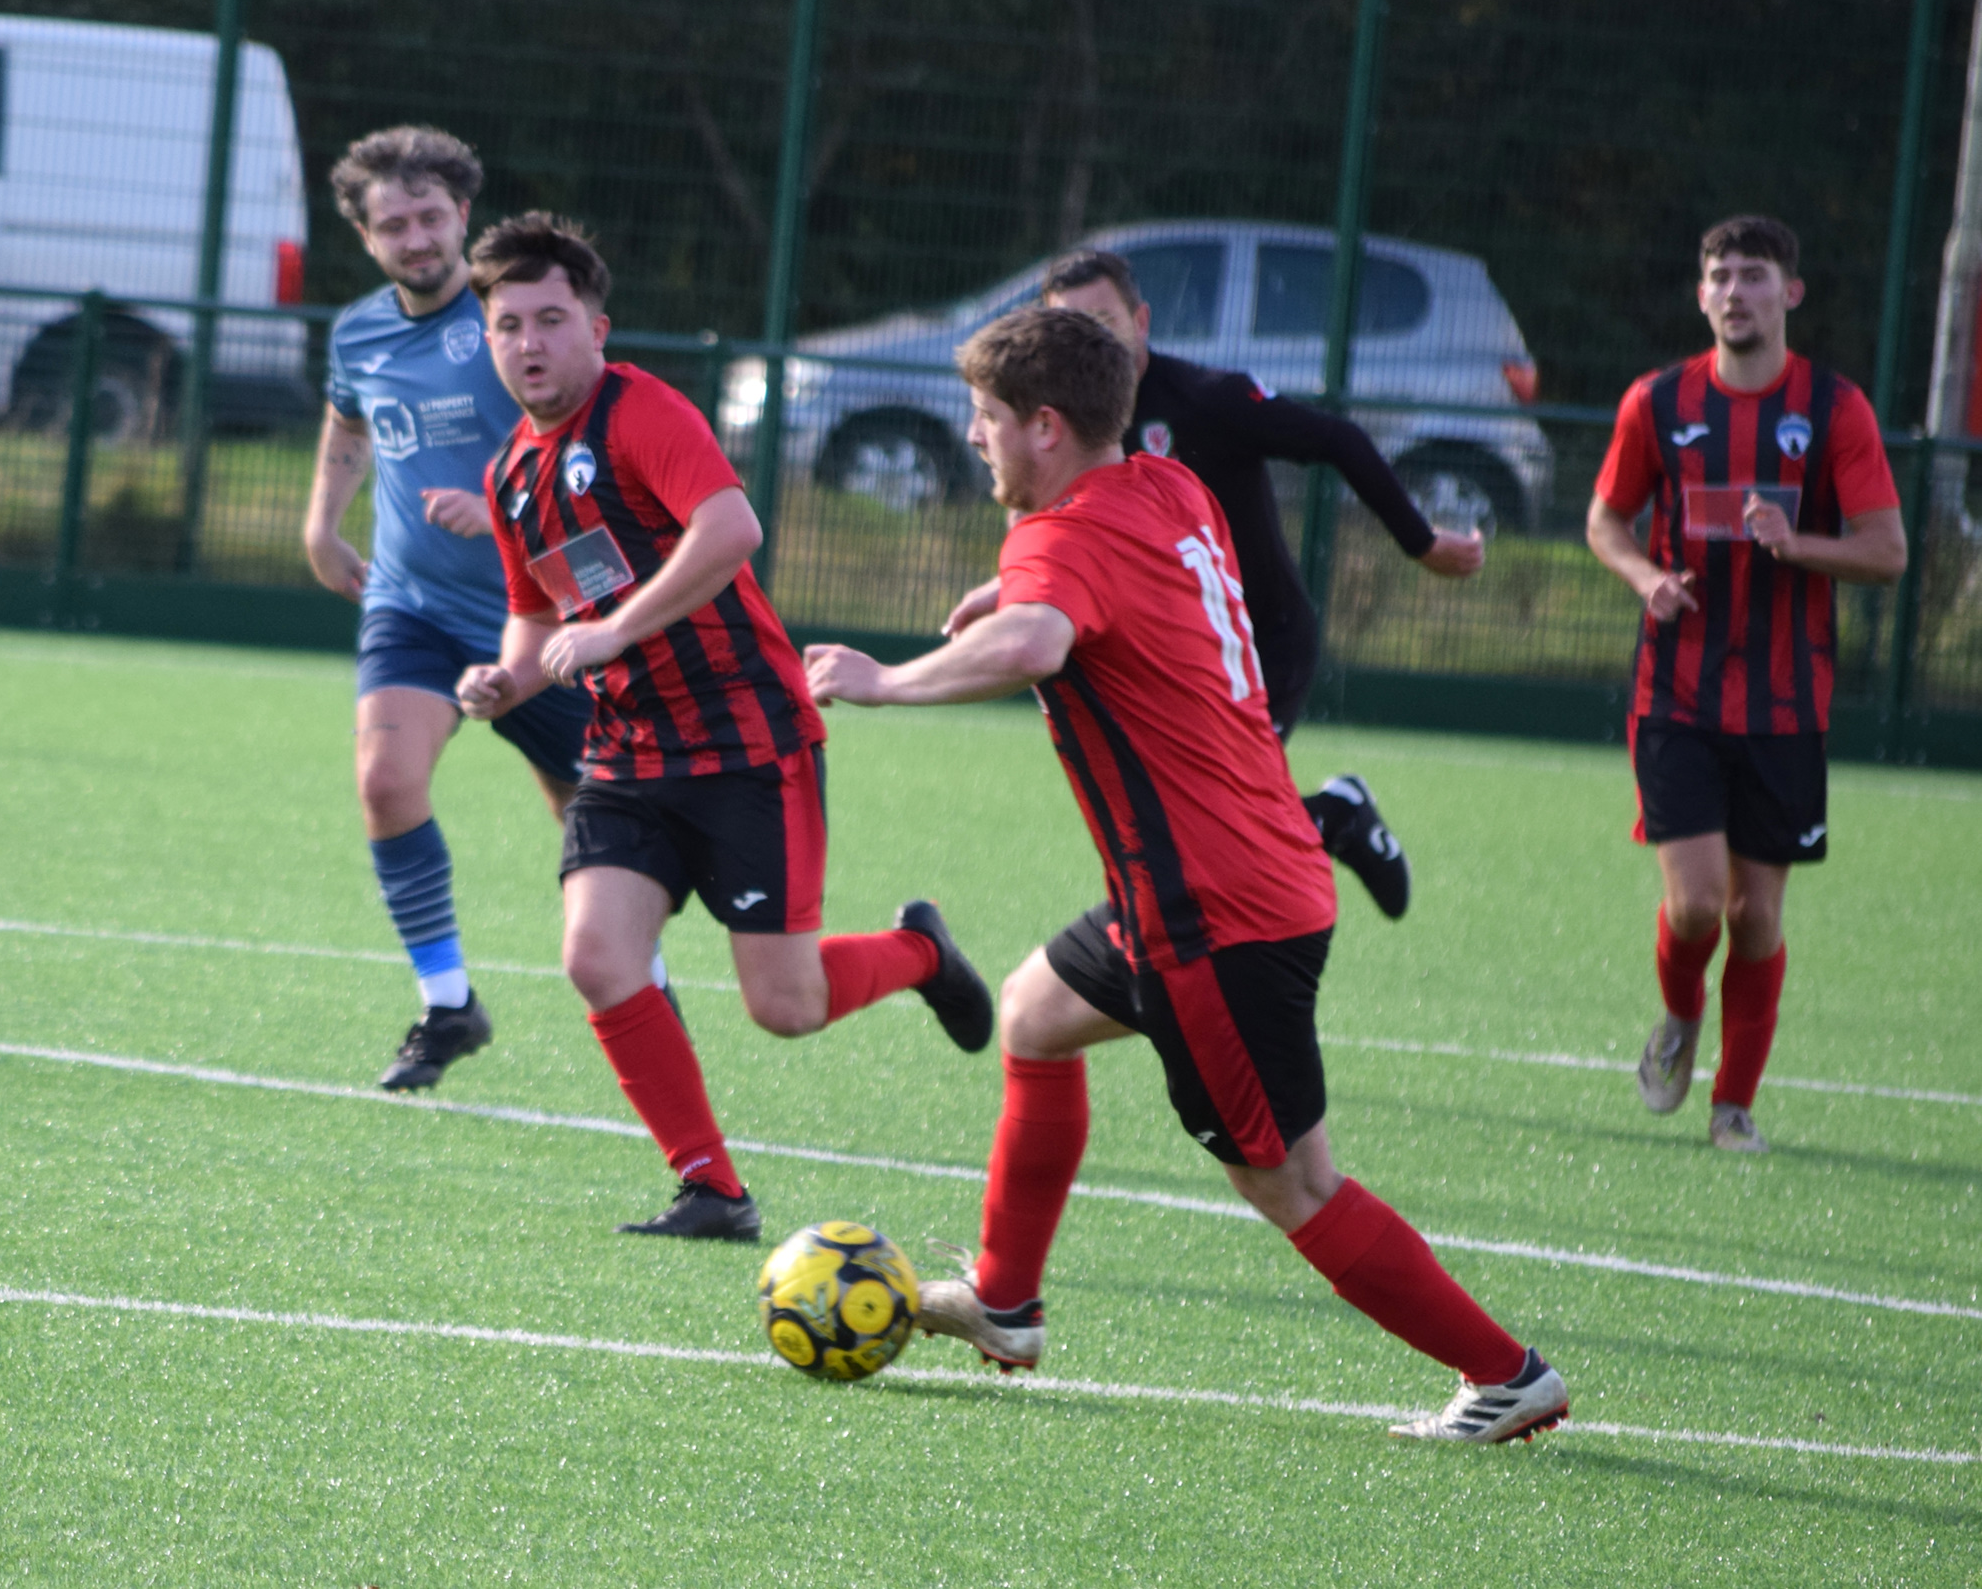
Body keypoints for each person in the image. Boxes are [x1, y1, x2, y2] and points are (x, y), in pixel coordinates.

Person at [807, 306, 1568, 1443]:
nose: (973, 438)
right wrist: (1011, 597)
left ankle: (1505, 1373)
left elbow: (1035, 643)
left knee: (1290, 1182)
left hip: (1214, 916)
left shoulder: (1058, 543)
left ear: (1047, 427)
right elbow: (1078, 603)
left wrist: (886, 678)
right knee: (1031, 1013)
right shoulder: (1167, 485)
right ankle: (1004, 1303)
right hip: (1236, 874)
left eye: (986, 418)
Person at [452, 212, 994, 1240]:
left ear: (597, 328)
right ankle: (712, 1187)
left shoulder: (639, 411)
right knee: (597, 954)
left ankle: (919, 952)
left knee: (782, 1004)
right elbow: (532, 618)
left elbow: (731, 526)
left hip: (748, 739)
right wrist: (505, 681)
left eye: (551, 319)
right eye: (508, 324)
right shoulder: (510, 476)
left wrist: (614, 628)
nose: (529, 342)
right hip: (626, 753)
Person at [941, 250, 1488, 919]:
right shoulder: (1046, 428)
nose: (1088, 339)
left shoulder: (1207, 399)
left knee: (1222, 825)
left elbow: (1339, 439)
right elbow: (1070, 545)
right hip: (1162, 657)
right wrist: (1011, 589)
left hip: (1256, 645)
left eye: (1103, 320)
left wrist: (1422, 542)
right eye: (1068, 326)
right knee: (1201, 820)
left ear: (1141, 321)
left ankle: (1317, 828)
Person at [302, 125, 616, 1093]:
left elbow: (600, 463)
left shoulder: (519, 324)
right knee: (385, 780)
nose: (415, 238)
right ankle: (446, 1003)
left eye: (430, 216)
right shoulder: (357, 330)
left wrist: (501, 516)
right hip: (415, 605)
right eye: (392, 223)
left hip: (547, 622)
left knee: (597, 838)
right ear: (363, 236)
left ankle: (638, 998)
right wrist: (321, 522)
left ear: (463, 215)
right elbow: (349, 418)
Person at [1586, 215, 1905, 1154]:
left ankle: (1733, 1105)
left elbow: (1886, 551)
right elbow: (1606, 522)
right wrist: (1649, 581)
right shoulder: (1657, 401)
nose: (1735, 291)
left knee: (1755, 914)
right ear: (1701, 295)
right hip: (1676, 693)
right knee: (1693, 905)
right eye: (1720, 276)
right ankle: (1680, 1017)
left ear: (1790, 294)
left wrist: (1794, 542)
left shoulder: (1835, 407)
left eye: (1754, 276)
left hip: (1785, 703)